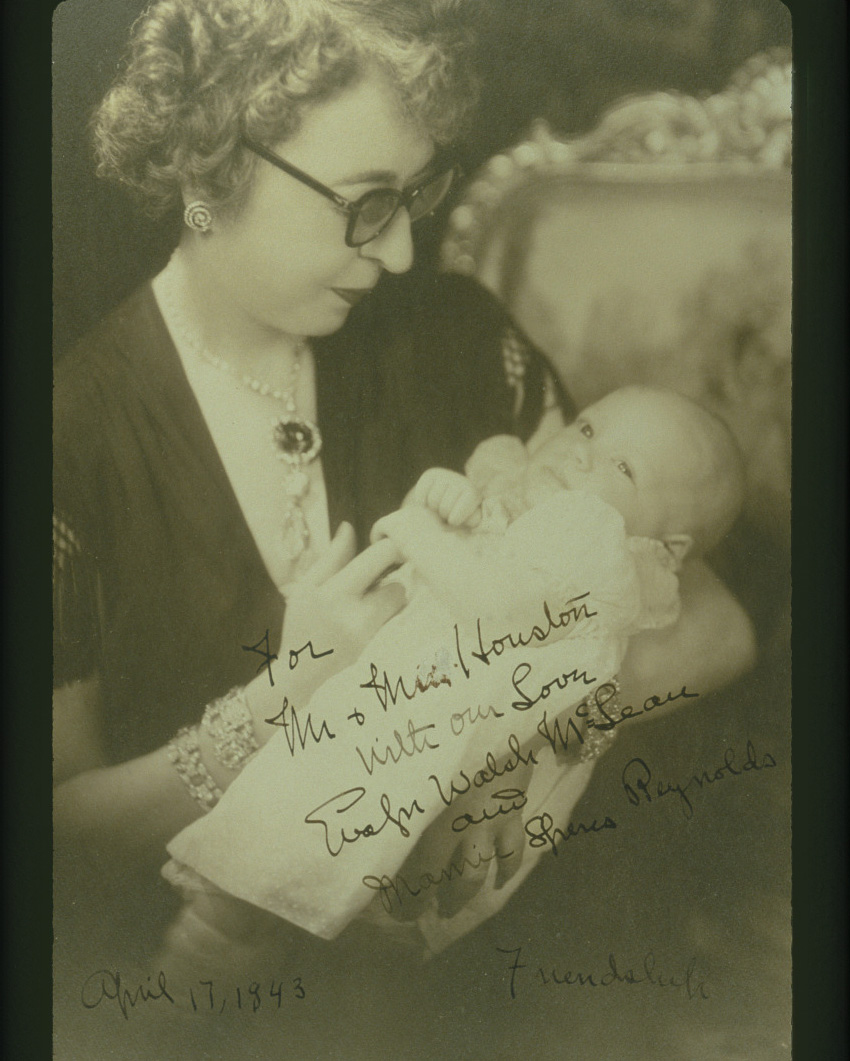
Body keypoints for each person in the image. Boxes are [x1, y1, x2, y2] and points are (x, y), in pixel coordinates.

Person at [53, 0, 754, 1002]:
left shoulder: (452, 336)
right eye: (364, 202)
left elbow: (712, 619)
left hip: (469, 982)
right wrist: (282, 696)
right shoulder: (69, 443)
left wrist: (503, 746)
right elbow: (60, 840)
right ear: (211, 171)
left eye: (414, 195)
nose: (399, 256)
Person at [159, 383, 744, 962]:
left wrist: (419, 531)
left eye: (623, 467)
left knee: (317, 876)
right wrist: (439, 501)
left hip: (443, 746)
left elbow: (498, 608)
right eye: (587, 427)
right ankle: (208, 949)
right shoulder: (517, 493)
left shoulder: (597, 547)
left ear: (667, 549)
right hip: (404, 717)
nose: (582, 454)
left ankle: (212, 951)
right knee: (282, 869)